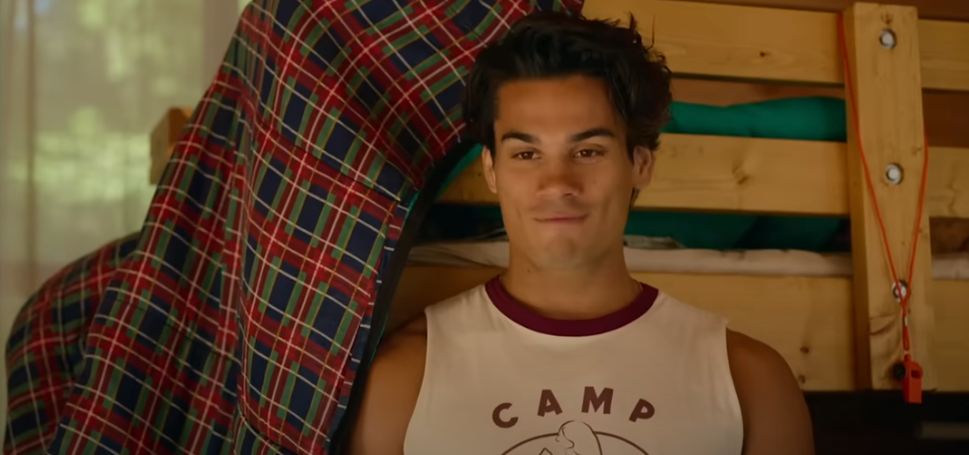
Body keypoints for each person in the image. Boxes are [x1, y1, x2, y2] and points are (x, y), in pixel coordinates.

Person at [349, 10, 814, 455]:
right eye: (527, 154)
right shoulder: (403, 380)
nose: (557, 184)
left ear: (640, 164)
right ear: (491, 170)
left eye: (588, 151)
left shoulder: (750, 384)